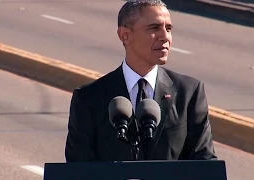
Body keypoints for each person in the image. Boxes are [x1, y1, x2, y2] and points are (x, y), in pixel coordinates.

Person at [65, 0, 217, 162]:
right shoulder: (89, 98)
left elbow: (204, 162)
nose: (165, 36)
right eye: (154, 28)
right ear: (125, 35)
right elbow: (78, 168)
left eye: (168, 29)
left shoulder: (189, 92)